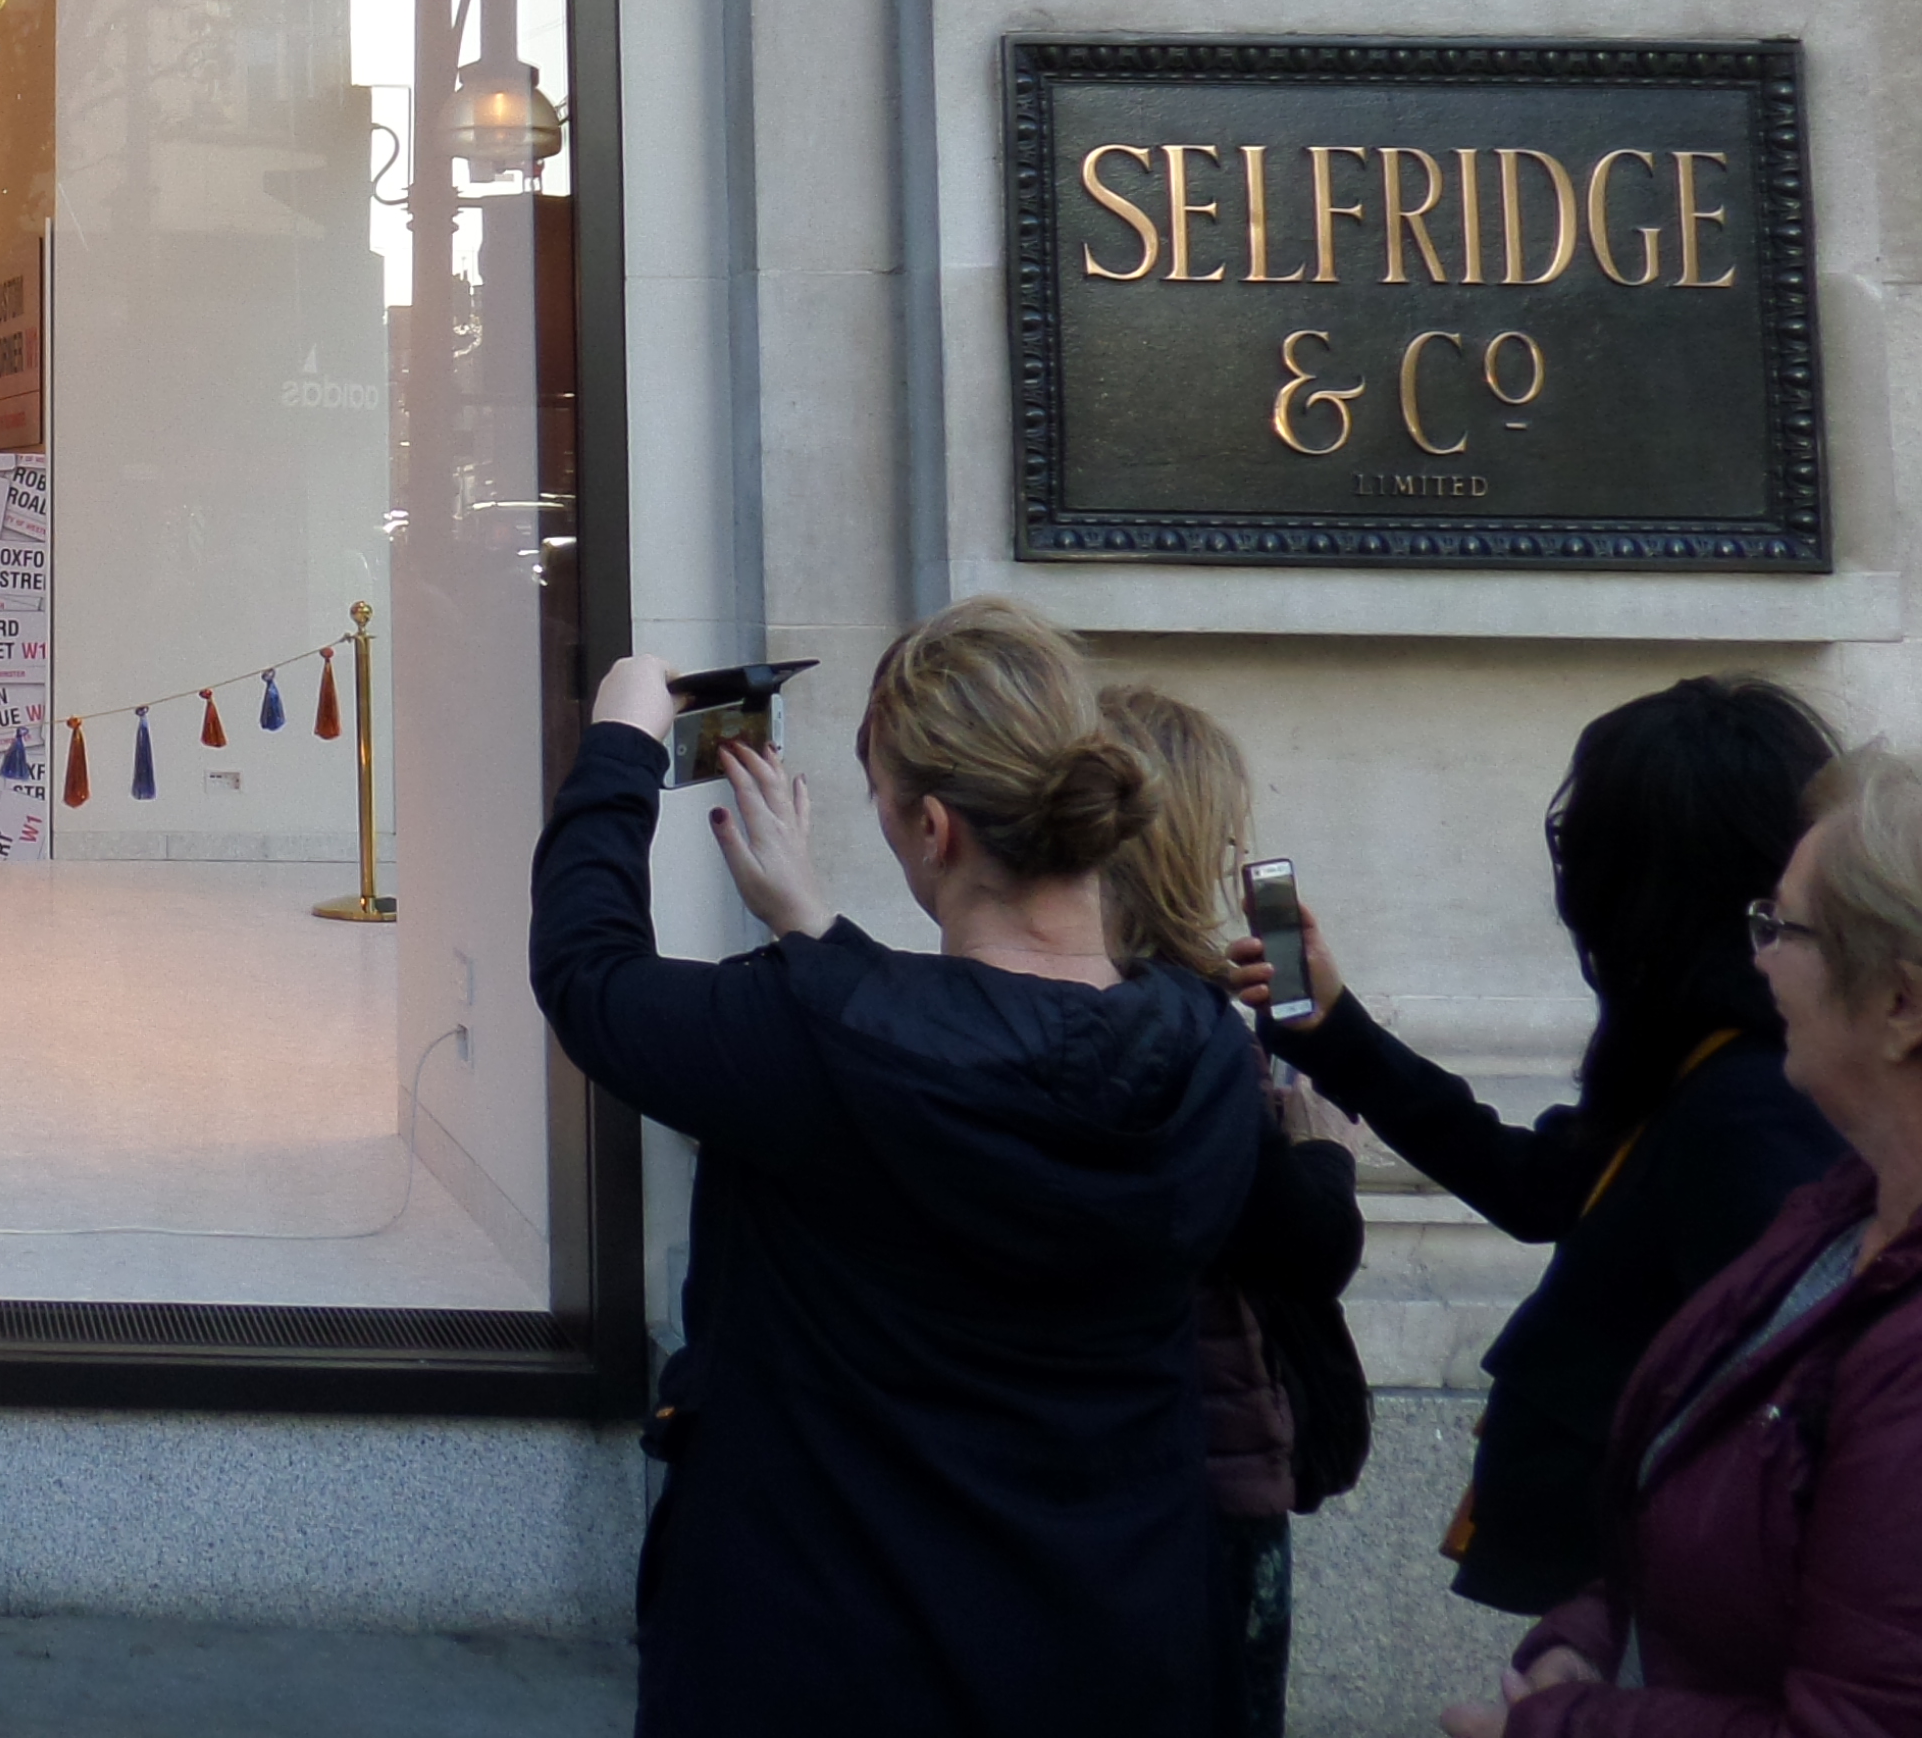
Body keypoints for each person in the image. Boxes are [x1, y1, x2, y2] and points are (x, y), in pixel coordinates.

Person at [531, 600, 1257, 1738]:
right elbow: (959, 1044)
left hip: (829, 1656)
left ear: (933, 828)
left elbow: (589, 974)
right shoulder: (1208, 1050)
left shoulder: (814, 1042)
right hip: (1113, 1647)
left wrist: (620, 747)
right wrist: (817, 936)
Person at [1248, 676, 1842, 1619]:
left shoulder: (1749, 1101)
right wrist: (1335, 1031)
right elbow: (1541, 1186)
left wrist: (1610, 1633)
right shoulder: (1705, 1057)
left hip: (1656, 1613)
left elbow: (1774, 1426)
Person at [1447, 743, 1922, 1736]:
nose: (1757, 958)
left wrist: (1561, 1726)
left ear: (1900, 1005)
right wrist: (1591, 1631)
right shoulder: (1836, 1221)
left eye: (1783, 928)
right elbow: (1714, 1509)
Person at [1101, 683, 1370, 1738]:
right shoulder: (1186, 1033)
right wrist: (1323, 1147)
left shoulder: (1052, 1000)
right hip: (1207, 1464)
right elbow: (1303, 1243)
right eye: (1221, 837)